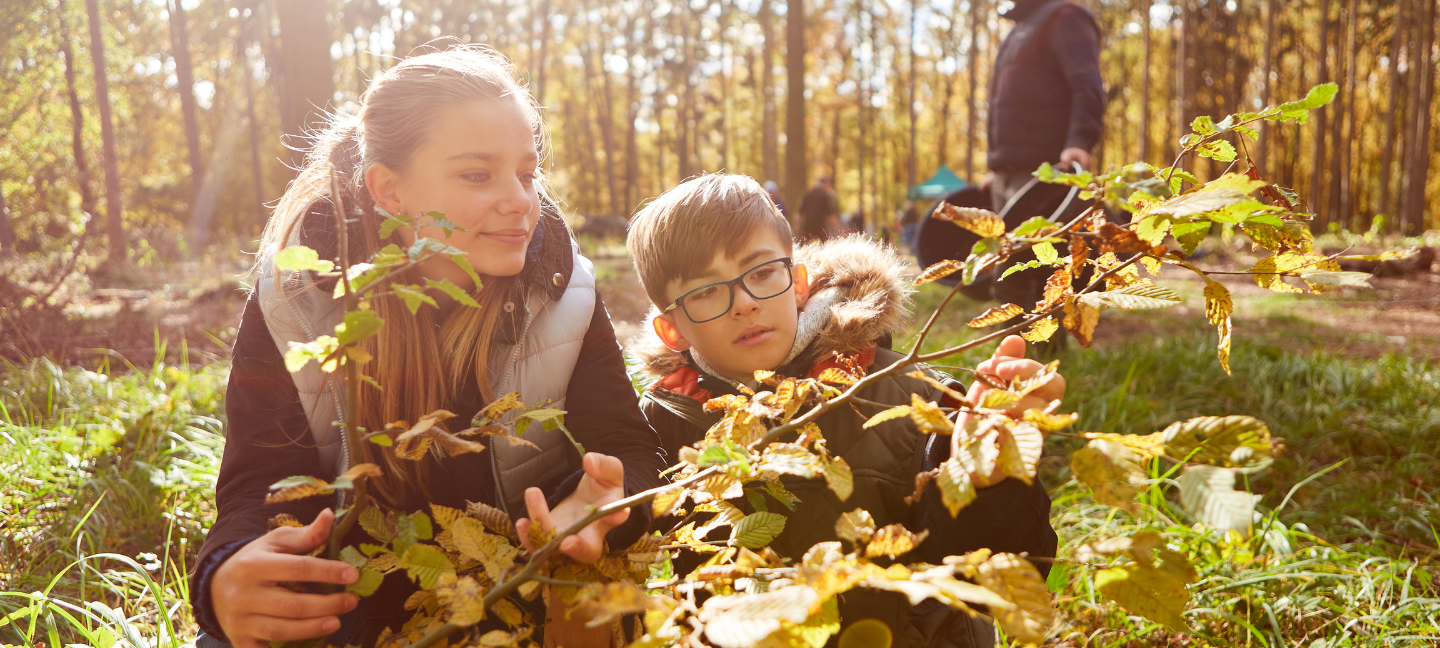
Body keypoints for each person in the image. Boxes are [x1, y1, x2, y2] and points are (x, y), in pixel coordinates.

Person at [191, 45, 666, 648]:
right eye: (477, 174)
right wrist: (223, 574)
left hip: (523, 598)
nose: (521, 200)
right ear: (389, 191)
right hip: (350, 612)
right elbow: (257, 484)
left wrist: (604, 508)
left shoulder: (564, 288)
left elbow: (624, 442)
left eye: (527, 173)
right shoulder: (295, 301)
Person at [624, 173, 1061, 647]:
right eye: (706, 291)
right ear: (672, 331)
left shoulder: (909, 399)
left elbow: (1008, 569)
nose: (745, 303)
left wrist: (990, 479)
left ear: (796, 282)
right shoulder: (661, 425)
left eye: (761, 272)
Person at [979, 0, 1104, 350]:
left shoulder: (1065, 18)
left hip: (1046, 173)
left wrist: (1079, 141)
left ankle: (1044, 367)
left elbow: (1087, 84)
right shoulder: (1021, 28)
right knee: (1009, 276)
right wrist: (998, 166)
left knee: (1037, 273)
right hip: (1009, 173)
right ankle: (1014, 363)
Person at [796, 175, 840, 242]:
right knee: (824, 248)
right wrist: (836, 230)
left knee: (804, 247)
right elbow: (831, 215)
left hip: (807, 227)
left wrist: (797, 228)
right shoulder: (826, 197)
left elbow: (799, 213)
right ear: (826, 184)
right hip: (821, 228)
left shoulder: (807, 194)